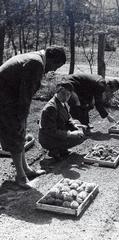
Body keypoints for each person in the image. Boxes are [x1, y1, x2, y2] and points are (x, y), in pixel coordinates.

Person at [0, 45, 66, 189]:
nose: (54, 70)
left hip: (9, 97)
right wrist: (22, 117)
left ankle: (26, 170)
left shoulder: (35, 58)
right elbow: (25, 95)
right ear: (52, 58)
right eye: (56, 65)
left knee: (20, 133)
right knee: (16, 133)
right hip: (4, 100)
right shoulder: (36, 63)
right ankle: (20, 176)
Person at [38, 82, 85, 159]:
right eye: (63, 94)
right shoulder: (51, 107)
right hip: (48, 138)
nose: (66, 97)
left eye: (68, 95)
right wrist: (71, 134)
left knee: (81, 131)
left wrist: (75, 126)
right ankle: (55, 150)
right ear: (58, 91)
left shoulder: (61, 102)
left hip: (58, 131)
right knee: (78, 137)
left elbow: (68, 118)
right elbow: (51, 131)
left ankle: (61, 149)